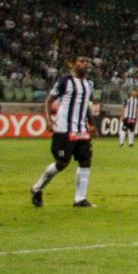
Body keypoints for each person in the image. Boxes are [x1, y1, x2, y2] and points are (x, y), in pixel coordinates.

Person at [31, 55, 99, 208]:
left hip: (81, 130)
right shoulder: (65, 81)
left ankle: (80, 199)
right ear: (74, 64)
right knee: (62, 163)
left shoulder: (89, 84)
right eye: (81, 61)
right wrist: (48, 120)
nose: (84, 64)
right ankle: (37, 188)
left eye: (87, 61)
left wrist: (92, 125)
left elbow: (85, 105)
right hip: (64, 129)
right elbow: (49, 100)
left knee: (86, 161)